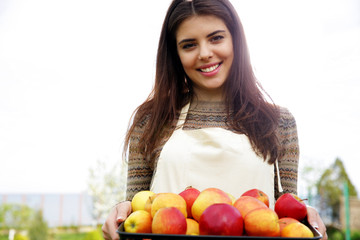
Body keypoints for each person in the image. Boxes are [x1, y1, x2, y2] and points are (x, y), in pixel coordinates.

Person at [102, 0, 327, 239]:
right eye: (189, 45)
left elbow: (286, 214)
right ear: (175, 54)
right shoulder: (151, 119)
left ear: (236, 41)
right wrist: (121, 210)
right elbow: (137, 208)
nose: (205, 53)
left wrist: (307, 215)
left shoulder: (279, 122)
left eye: (216, 38)